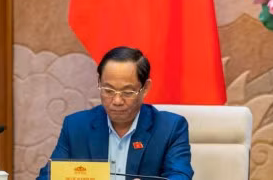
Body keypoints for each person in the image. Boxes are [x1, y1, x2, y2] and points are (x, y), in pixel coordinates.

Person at [37, 47, 194, 180]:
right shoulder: (76, 126)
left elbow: (180, 176)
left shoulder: (170, 128)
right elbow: (49, 176)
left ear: (145, 88)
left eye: (127, 92)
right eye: (108, 90)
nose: (117, 100)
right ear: (99, 83)